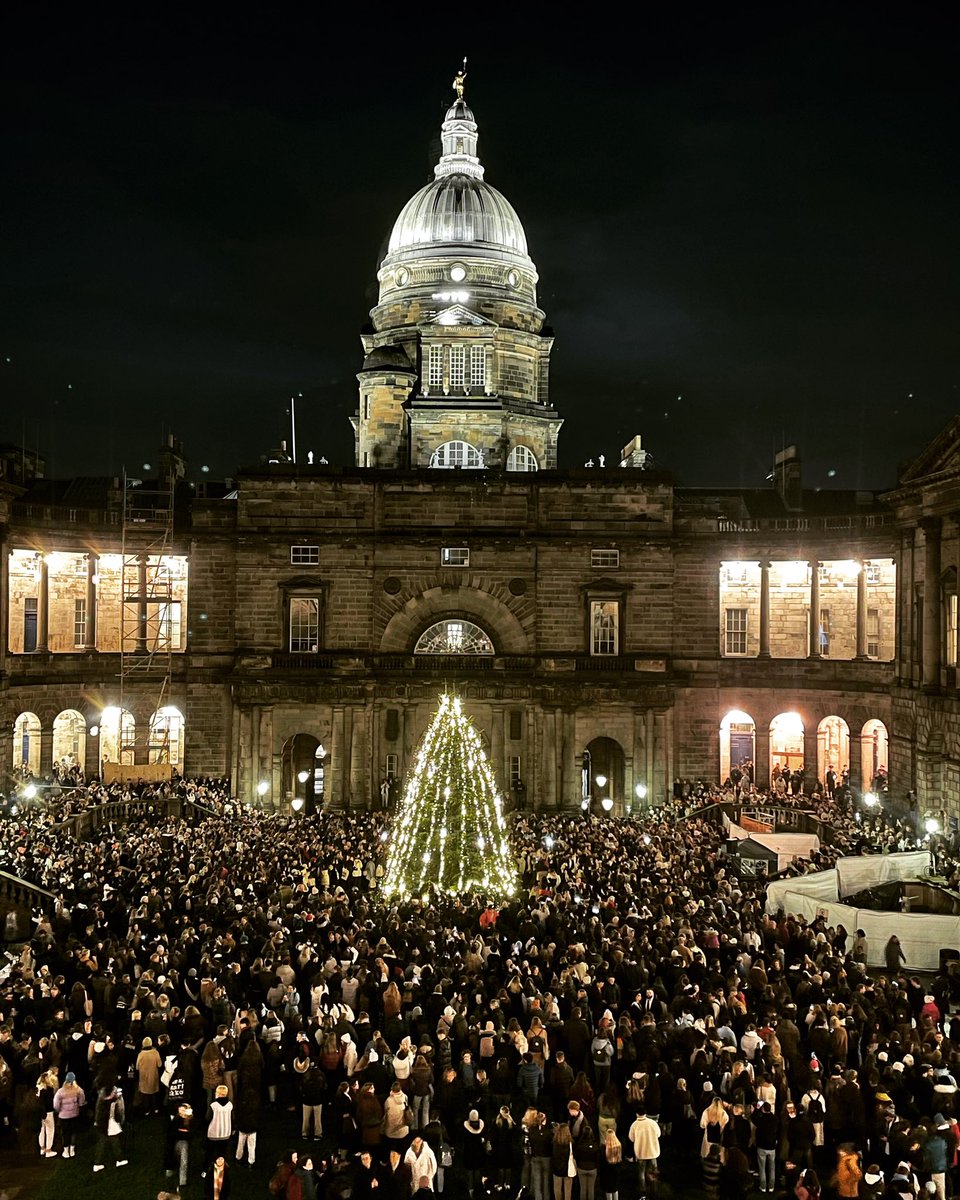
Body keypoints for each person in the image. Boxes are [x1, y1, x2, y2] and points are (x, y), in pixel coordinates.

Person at [92, 1079, 127, 1172]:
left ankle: (98, 1163)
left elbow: (98, 1111)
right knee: (112, 1141)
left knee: (104, 1141)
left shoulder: (101, 1097)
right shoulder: (113, 1101)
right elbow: (118, 1113)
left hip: (102, 1123)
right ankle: (118, 1159)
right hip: (110, 1123)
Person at [627, 1104, 660, 1198]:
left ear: (637, 1114)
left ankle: (643, 1192)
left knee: (641, 1172)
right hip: (653, 1152)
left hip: (641, 1153)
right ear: (645, 1113)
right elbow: (658, 1134)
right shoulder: (653, 1123)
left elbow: (631, 1138)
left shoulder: (634, 1125)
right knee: (653, 1172)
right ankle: (654, 1191)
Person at [53, 1071, 86, 1158]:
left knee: (65, 1133)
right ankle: (72, 1150)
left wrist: (59, 1110)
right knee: (73, 1132)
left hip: (63, 1116)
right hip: (74, 1114)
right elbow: (82, 1101)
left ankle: (66, 1151)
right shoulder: (78, 1090)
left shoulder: (60, 1091)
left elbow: (56, 1105)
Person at [36, 1067, 59, 1157]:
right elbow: (50, 1102)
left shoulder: (37, 1089)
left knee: (41, 1130)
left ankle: (42, 1148)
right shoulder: (48, 1090)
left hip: (39, 1113)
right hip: (48, 1112)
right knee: (50, 1131)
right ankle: (48, 1150)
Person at [598, 1130, 622, 1200]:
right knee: (615, 1189)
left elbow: (601, 1162)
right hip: (616, 1171)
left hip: (606, 1172)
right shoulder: (618, 1146)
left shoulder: (604, 1148)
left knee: (608, 1190)